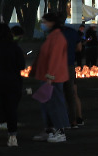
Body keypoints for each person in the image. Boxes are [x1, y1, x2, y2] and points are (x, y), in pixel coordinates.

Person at [30, 11, 70, 142]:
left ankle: (60, 131)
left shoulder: (57, 37)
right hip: (47, 76)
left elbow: (55, 58)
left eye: (44, 22)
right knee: (47, 104)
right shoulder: (52, 36)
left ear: (52, 23)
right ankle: (50, 129)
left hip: (53, 78)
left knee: (55, 104)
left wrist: (50, 76)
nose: (43, 24)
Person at [60, 22, 84, 127]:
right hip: (70, 65)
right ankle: (75, 120)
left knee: (58, 94)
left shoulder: (55, 34)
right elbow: (79, 48)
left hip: (58, 66)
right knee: (73, 94)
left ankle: (61, 121)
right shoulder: (73, 33)